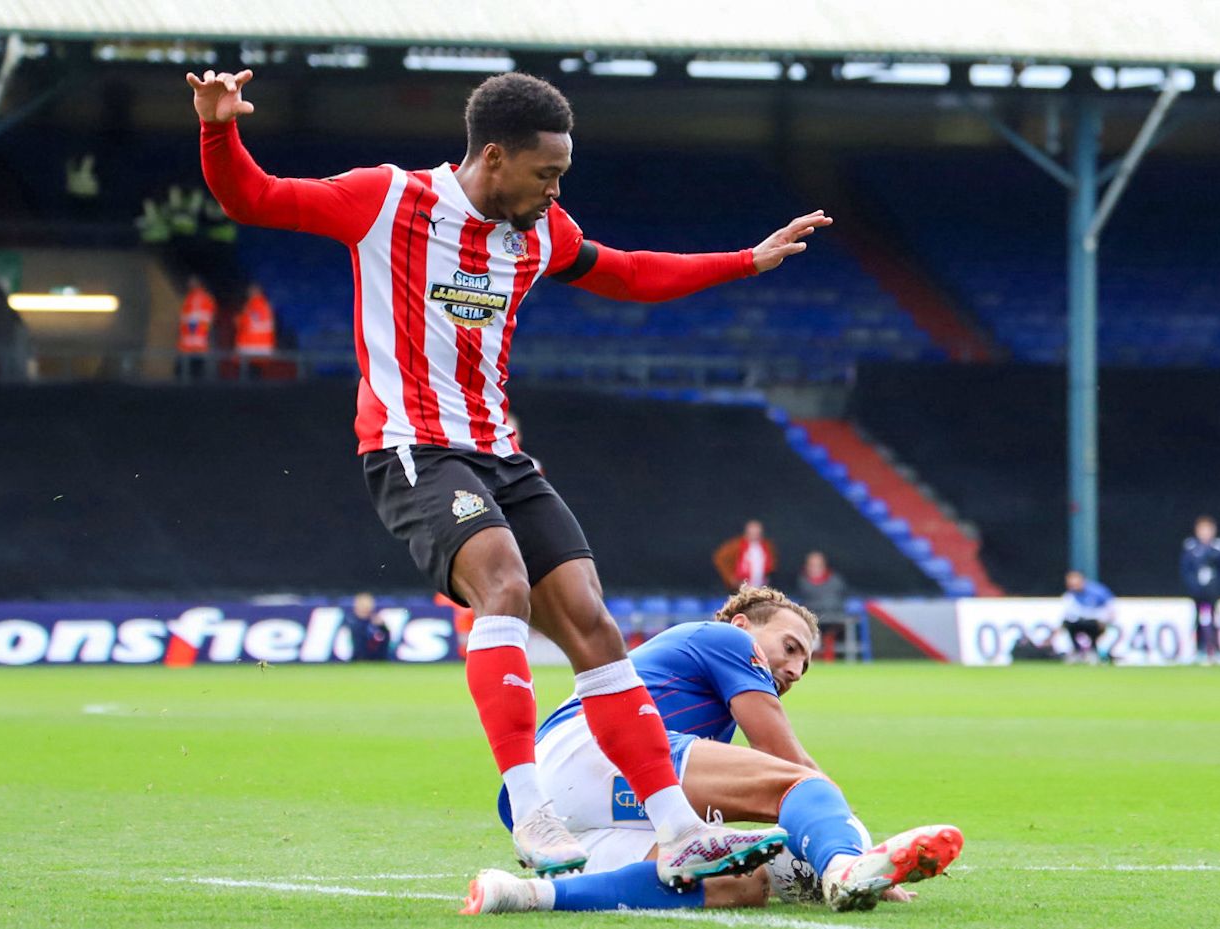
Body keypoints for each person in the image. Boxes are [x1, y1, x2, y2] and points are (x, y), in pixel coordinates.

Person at [188, 67, 829, 881]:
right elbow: (255, 198)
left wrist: (747, 259)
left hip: (499, 451)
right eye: (546, 173)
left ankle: (676, 825)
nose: (556, 190)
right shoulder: (386, 199)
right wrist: (218, 128)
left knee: (592, 622)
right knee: (505, 585)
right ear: (494, 156)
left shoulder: (540, 231)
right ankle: (532, 808)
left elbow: (627, 272)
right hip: (411, 444)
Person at [462, 586, 963, 915]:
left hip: (558, 804)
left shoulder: (706, 713)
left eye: (805, 666)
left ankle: (524, 896)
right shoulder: (723, 638)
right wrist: (851, 848)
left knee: (740, 883)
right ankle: (843, 871)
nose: (794, 669)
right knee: (797, 785)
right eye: (789, 648)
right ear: (744, 626)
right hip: (588, 746)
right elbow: (790, 764)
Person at [1181, 516, 1220, 665]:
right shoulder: (1191, 547)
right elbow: (1185, 569)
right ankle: (1199, 651)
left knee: (1215, 619)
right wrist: (1192, 585)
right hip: (1197, 590)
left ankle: (1217, 651)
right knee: (1198, 620)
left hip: (1213, 590)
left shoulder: (1219, 547)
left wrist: (1218, 585)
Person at [796, 550, 847, 661]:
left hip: (833, 617)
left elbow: (836, 601)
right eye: (811, 565)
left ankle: (828, 656)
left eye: (817, 565)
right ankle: (811, 657)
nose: (814, 568)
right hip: (813, 619)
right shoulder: (803, 582)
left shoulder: (835, 581)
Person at [1061, 570, 1114, 663]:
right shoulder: (1070, 595)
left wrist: (1106, 621)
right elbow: (1068, 613)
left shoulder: (1098, 591)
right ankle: (1077, 652)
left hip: (1096, 623)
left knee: (1092, 625)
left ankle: (1093, 652)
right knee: (1069, 624)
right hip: (1080, 622)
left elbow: (1111, 608)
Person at [712, 519, 776, 591]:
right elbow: (720, 558)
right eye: (752, 532)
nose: (755, 535)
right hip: (741, 587)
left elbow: (771, 564)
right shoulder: (736, 545)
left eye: (757, 532)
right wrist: (730, 578)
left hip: (761, 586)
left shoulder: (767, 546)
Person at [176, 275, 216, 381]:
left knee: (188, 374)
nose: (189, 284)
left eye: (191, 281)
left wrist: (192, 332)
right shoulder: (197, 297)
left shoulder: (195, 298)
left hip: (192, 342)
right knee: (195, 374)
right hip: (195, 342)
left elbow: (194, 319)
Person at [234, 281, 276, 380]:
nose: (248, 293)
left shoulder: (251, 306)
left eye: (251, 290)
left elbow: (244, 323)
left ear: (257, 291)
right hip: (262, 347)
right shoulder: (266, 306)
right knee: (257, 378)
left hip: (249, 347)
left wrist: (238, 319)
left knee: (247, 379)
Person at [343, 592, 390, 661]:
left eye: (368, 604)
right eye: (363, 604)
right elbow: (359, 645)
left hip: (378, 661)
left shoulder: (377, 623)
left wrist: (382, 627)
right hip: (357, 660)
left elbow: (384, 644)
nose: (366, 607)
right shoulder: (350, 621)